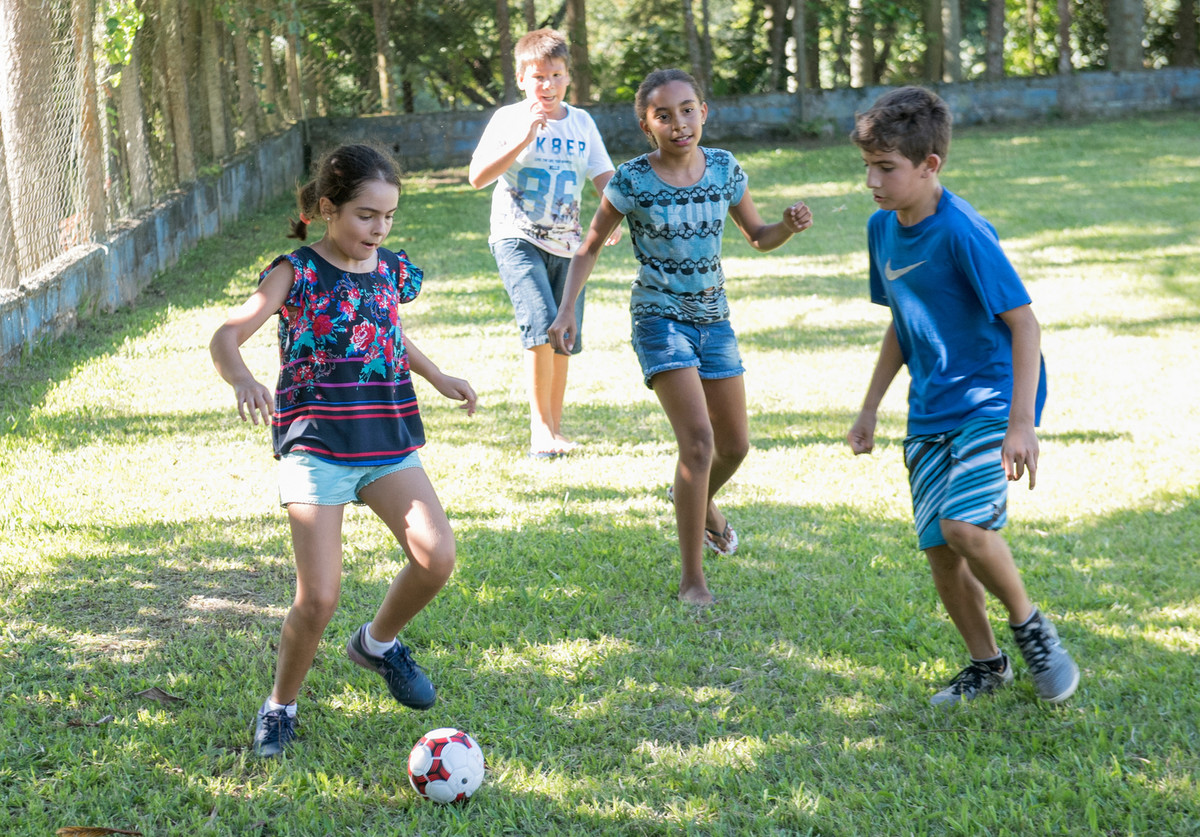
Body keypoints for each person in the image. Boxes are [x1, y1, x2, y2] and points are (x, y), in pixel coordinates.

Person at [209, 144, 478, 757]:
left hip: (386, 438)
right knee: (320, 596)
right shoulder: (295, 271)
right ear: (328, 209)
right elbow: (228, 334)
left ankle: (378, 645)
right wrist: (243, 379)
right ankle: (280, 705)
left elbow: (385, 329)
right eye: (364, 215)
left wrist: (438, 377)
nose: (378, 229)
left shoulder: (386, 268)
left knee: (437, 557)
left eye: (387, 216)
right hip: (318, 447)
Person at [845, 86, 1079, 706]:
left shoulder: (963, 232)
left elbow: (1024, 323)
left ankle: (1033, 631)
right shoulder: (881, 230)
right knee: (940, 553)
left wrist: (1021, 424)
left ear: (930, 166)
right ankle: (987, 665)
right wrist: (870, 406)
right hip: (930, 410)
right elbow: (902, 318)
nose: (872, 180)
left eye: (886, 168)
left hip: (991, 402)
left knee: (963, 525)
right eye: (867, 165)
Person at [547, 68, 813, 605]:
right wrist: (566, 309)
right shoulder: (631, 180)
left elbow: (758, 236)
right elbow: (591, 244)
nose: (679, 123)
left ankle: (691, 497)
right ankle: (693, 579)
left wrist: (785, 225)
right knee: (699, 443)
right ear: (648, 126)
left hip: (715, 318)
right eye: (663, 115)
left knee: (735, 446)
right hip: (658, 316)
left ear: (704, 112)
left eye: (688, 110)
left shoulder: (725, 170)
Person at [468, 28, 618, 459]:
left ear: (568, 76)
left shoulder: (582, 122)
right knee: (539, 321)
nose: (546, 85)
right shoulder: (508, 119)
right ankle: (539, 431)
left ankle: (555, 427)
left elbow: (603, 175)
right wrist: (523, 138)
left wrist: (614, 217)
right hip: (517, 236)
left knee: (562, 332)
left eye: (555, 75)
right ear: (520, 78)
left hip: (569, 245)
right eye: (537, 77)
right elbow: (477, 177)